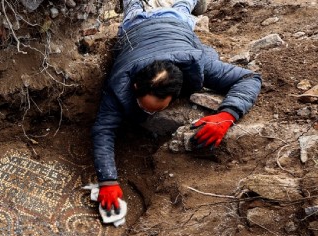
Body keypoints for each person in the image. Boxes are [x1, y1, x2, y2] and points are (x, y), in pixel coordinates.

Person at [92, 0, 262, 213]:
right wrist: (107, 180)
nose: (147, 113)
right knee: (134, 8)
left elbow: (250, 78)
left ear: (174, 95)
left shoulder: (197, 64)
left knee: (181, 8)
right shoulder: (120, 82)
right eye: (143, 105)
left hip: (175, 24)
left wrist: (227, 115)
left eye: (155, 109)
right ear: (135, 86)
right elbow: (104, 130)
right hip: (134, 27)